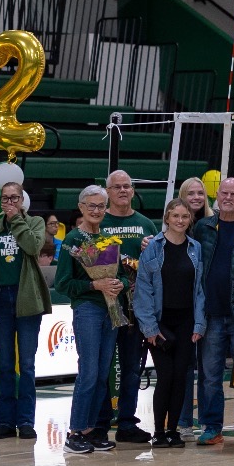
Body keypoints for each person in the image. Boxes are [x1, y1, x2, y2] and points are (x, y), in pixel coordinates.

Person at [52, 186, 124, 455]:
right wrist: (95, 285)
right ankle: (74, 432)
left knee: (103, 372)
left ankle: (90, 430)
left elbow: (123, 272)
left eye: (101, 206)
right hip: (88, 310)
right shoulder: (72, 239)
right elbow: (62, 283)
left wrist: (118, 283)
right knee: (89, 372)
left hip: (110, 309)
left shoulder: (107, 239)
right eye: (91, 206)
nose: (96, 211)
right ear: (81, 207)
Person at [191, 177, 234, 446]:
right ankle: (211, 426)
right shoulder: (202, 227)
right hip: (210, 312)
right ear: (216, 196)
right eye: (224, 193)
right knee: (209, 374)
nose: (229, 197)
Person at [132, 198, 205, 448]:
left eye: (185, 217)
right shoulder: (153, 247)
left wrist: (199, 324)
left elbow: (199, 291)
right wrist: (149, 328)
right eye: (176, 216)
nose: (180, 221)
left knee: (181, 377)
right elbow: (142, 289)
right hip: (160, 323)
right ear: (167, 218)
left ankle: (174, 430)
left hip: (186, 322)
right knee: (166, 376)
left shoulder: (195, 248)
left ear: (190, 219)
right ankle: (159, 431)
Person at [99, 171, 158, 444]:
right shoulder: (99, 222)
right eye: (117, 187)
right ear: (107, 191)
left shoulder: (146, 224)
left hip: (136, 309)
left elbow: (159, 265)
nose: (123, 191)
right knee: (101, 366)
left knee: (132, 367)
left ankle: (127, 422)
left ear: (133, 191)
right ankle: (99, 422)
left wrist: (150, 251)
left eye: (127, 186)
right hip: (103, 306)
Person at [0, 180, 49, 440]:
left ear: (22, 201)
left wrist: (16, 221)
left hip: (26, 297)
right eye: (5, 199)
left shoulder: (35, 222)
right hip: (0, 296)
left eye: (14, 198)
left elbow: (34, 247)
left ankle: (25, 421)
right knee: (4, 364)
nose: (9, 203)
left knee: (26, 364)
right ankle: (5, 422)